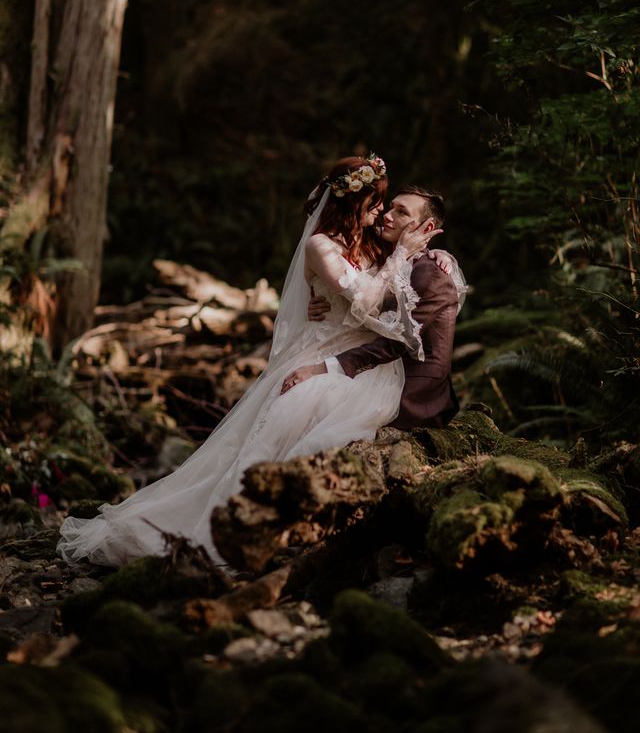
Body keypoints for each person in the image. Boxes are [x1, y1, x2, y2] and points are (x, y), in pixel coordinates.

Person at [57, 155, 442, 567]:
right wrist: (387, 264)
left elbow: (407, 277)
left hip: (362, 358)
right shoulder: (321, 246)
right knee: (286, 417)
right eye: (375, 203)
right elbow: (365, 295)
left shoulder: (375, 243)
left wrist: (437, 257)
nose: (381, 211)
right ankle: (233, 529)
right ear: (352, 204)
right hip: (323, 351)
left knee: (323, 418)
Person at [282, 187, 466, 429]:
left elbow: (398, 342)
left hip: (413, 392)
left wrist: (325, 367)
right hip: (376, 367)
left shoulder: (432, 273)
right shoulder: (386, 252)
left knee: (314, 402)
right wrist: (318, 297)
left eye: (401, 212)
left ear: (427, 228)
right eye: (390, 207)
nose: (387, 215)